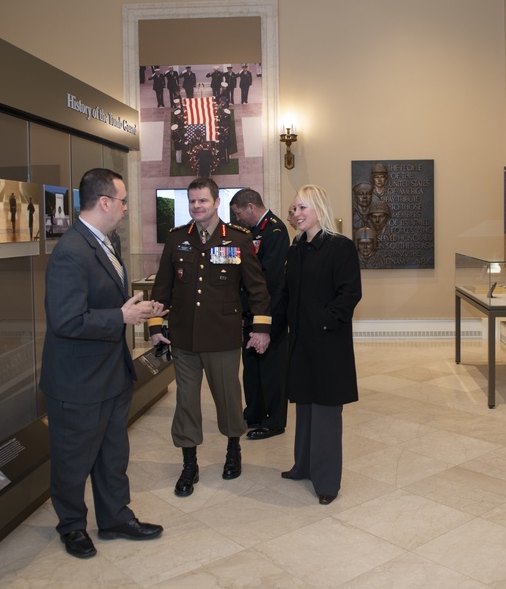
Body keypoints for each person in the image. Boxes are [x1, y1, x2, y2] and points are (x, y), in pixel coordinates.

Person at [40, 168, 165, 559]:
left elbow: (103, 304)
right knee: (73, 458)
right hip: (78, 381)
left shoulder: (105, 242)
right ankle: (72, 526)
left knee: (113, 454)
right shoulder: (71, 251)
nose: (127, 208)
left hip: (110, 374)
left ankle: (114, 517)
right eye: (124, 200)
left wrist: (132, 310)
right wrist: (121, 318)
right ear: (105, 202)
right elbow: (65, 321)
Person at [148, 177, 272, 497]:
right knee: (186, 403)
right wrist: (155, 325)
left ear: (217, 202)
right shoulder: (177, 239)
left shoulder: (238, 239)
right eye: (192, 202)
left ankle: (233, 449)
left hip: (222, 336)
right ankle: (189, 463)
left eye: (202, 201)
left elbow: (257, 289)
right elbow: (163, 286)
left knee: (228, 399)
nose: (197, 207)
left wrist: (260, 328)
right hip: (185, 336)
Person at [276, 185, 362, 505]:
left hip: (327, 343)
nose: (296, 214)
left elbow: (349, 294)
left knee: (326, 412)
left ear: (318, 209)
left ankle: (327, 481)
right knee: (306, 406)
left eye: (303, 208)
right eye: (294, 208)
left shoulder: (340, 247)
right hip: (300, 342)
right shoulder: (296, 248)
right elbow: (286, 294)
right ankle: (304, 466)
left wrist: (324, 321)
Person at [229, 188, 290, 440]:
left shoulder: (275, 230)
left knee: (271, 368)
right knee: (252, 366)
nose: (238, 219)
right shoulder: (252, 232)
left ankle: (274, 420)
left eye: (239, 213)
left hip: (270, 311)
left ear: (251, 207)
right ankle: (254, 411)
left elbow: (267, 277)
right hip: (249, 311)